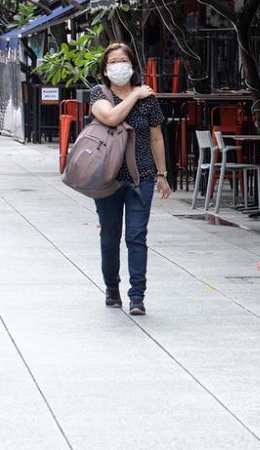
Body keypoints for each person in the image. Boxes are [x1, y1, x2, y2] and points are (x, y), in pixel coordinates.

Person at [90, 43, 171, 315]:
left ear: (132, 65)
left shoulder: (149, 99)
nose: (118, 66)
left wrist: (162, 174)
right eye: (113, 62)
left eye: (123, 60)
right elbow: (111, 117)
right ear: (105, 69)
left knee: (137, 236)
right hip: (108, 178)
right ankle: (112, 288)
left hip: (142, 176)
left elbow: (156, 137)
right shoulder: (99, 94)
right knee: (110, 236)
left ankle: (137, 296)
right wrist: (135, 94)